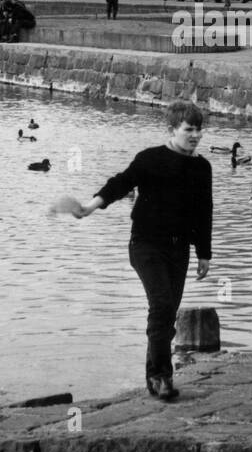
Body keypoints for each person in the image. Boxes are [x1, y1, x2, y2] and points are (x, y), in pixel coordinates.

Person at [60, 101, 213, 400]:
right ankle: (161, 378)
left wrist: (204, 253)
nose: (194, 135)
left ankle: (153, 375)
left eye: (198, 129)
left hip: (178, 249)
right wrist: (88, 208)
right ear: (171, 129)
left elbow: (204, 210)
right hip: (145, 245)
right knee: (161, 306)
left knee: (167, 312)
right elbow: (121, 183)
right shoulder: (150, 159)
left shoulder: (201, 168)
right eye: (188, 129)